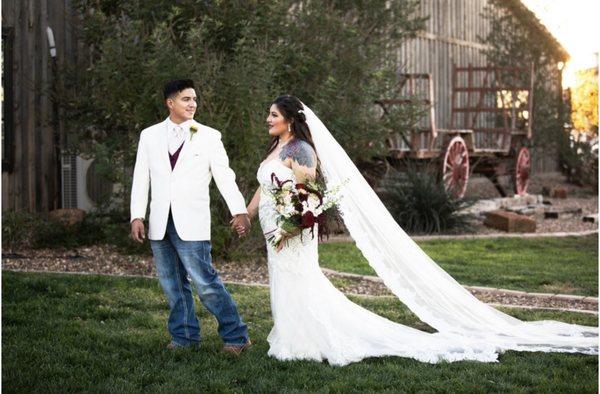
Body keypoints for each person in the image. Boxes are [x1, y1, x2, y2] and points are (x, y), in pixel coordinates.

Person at [239, 94, 598, 367]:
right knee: (283, 280)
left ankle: (305, 340)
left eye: (273, 114)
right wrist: (248, 213)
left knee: (301, 279)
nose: (267, 119)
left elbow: (309, 197)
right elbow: (264, 185)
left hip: (293, 231)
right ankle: (290, 333)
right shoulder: (277, 147)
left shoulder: (302, 150)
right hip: (274, 229)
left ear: (289, 119)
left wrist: (291, 226)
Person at [130, 79, 252, 355]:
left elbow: (225, 176)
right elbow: (141, 178)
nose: (193, 104)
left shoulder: (209, 136)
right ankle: (184, 337)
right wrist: (137, 215)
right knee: (172, 284)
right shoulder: (149, 136)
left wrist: (239, 210)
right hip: (160, 222)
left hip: (192, 222)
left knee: (206, 283)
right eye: (186, 99)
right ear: (170, 103)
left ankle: (237, 337)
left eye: (194, 99)